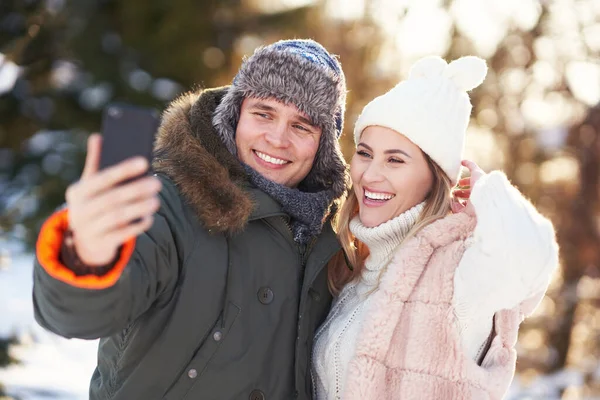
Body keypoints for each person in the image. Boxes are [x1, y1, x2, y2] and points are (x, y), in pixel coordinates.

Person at [33, 39, 348, 400]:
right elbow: (79, 316)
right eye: (263, 113)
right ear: (235, 114)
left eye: (302, 126)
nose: (277, 138)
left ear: (322, 146)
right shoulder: (167, 203)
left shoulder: (330, 240)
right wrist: (85, 255)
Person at [311, 55, 559, 399]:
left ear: (435, 175)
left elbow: (533, 254)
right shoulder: (352, 265)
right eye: (365, 153)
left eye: (395, 160)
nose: (369, 174)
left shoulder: (456, 273)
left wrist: (482, 189)